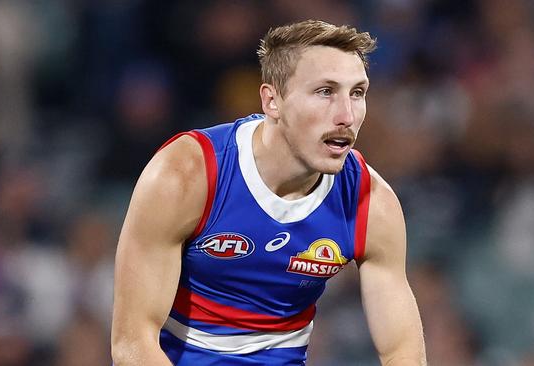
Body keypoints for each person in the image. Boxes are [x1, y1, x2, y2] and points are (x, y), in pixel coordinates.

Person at [111, 19, 426, 366]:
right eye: (325, 92)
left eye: (357, 93)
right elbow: (133, 346)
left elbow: (402, 352)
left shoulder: (372, 202)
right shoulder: (186, 175)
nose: (346, 115)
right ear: (272, 101)